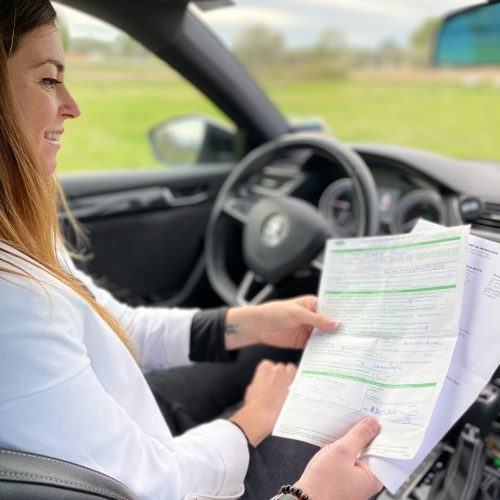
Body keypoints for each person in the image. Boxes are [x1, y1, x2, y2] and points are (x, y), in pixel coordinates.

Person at [0, 1, 383, 499]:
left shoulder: (18, 237)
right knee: (358, 441)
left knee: (267, 347)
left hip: (123, 428)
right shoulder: (15, 304)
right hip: (159, 479)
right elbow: (154, 484)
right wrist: (252, 421)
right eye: (49, 79)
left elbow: (121, 330)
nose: (72, 105)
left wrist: (252, 322)